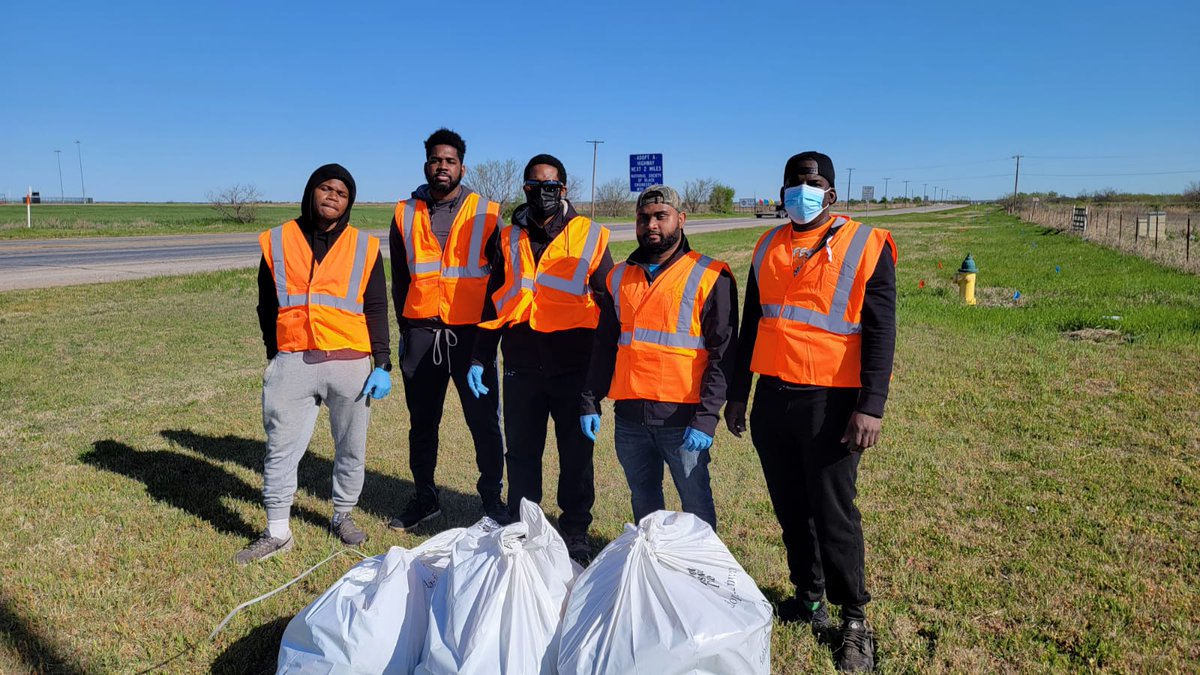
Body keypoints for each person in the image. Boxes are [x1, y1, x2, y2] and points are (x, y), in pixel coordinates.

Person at [725, 152, 896, 672]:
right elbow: (751, 322)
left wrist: (872, 405)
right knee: (790, 508)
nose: (803, 190)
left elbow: (882, 330)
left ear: (832, 194)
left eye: (813, 182)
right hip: (774, 400)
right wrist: (738, 393)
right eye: (794, 183)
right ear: (782, 192)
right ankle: (809, 596)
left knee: (833, 511)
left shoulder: (866, 245)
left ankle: (854, 619)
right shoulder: (767, 244)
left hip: (833, 401)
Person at [237, 163, 392, 565]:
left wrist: (383, 362)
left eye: (342, 193)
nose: (333, 197)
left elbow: (376, 306)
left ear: (349, 203)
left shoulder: (364, 246)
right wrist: (276, 353)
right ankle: (277, 531)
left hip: (351, 363)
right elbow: (266, 303)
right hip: (294, 362)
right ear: (311, 191)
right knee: (281, 448)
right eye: (326, 189)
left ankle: (343, 514)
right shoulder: (278, 240)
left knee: (350, 448)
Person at [469, 154, 614, 563]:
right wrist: (480, 356)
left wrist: (601, 376)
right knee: (522, 453)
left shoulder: (590, 235)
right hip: (521, 363)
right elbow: (494, 299)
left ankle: (574, 531)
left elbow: (608, 304)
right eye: (534, 186)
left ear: (564, 190)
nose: (542, 193)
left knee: (576, 453)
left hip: (573, 365)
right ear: (525, 189)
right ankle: (524, 526)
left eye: (550, 186)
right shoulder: (507, 237)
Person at [579, 185, 737, 532]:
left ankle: (701, 576)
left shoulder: (710, 276)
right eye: (643, 217)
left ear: (681, 219)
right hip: (631, 421)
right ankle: (654, 572)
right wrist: (590, 400)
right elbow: (604, 345)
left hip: (684, 422)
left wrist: (707, 417)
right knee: (644, 504)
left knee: (695, 506)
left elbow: (723, 356)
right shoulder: (618, 276)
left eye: (660, 216)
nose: (651, 224)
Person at [386, 128, 508, 531]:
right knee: (422, 423)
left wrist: (487, 339)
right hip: (422, 336)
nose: (443, 166)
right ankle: (425, 497)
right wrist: (409, 326)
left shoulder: (488, 211)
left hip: (471, 337)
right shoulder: (404, 211)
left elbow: (500, 279)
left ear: (462, 166)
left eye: (450, 161)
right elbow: (400, 277)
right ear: (426, 165)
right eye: (436, 160)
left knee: (484, 422)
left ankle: (492, 498)